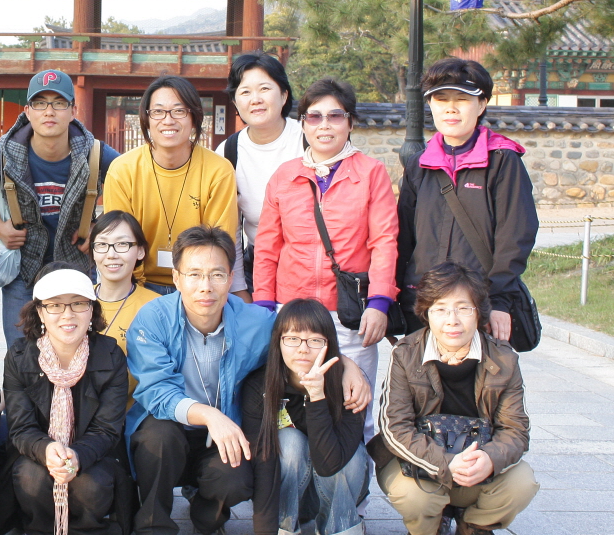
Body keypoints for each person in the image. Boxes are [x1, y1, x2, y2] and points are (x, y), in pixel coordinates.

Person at [126, 225, 372, 535]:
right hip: (173, 423)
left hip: (227, 429)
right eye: (194, 274)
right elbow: (156, 390)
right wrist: (209, 416)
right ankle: (153, 534)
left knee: (237, 476)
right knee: (157, 439)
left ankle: (208, 522)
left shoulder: (255, 321)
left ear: (231, 279)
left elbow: (297, 338)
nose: (206, 286)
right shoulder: (153, 318)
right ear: (177, 278)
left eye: (216, 275)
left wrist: (345, 363)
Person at [252, 78, 398, 441]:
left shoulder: (371, 173)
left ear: (350, 122)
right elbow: (267, 247)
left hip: (348, 313)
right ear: (303, 124)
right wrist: (265, 306)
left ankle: (354, 479)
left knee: (354, 405)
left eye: (335, 115)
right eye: (314, 117)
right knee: (292, 407)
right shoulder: (285, 176)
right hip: (292, 310)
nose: (325, 125)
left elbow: (384, 241)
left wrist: (379, 302)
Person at [373, 262, 538, 535]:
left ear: (479, 313)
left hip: (477, 467)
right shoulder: (406, 353)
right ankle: (426, 532)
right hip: (425, 466)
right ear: (426, 312)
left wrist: (489, 459)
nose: (452, 320)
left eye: (463, 308)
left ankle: (475, 527)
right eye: (440, 309)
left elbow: (516, 430)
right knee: (410, 495)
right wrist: (446, 463)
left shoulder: (504, 358)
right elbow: (394, 427)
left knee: (522, 482)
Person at [0, 263, 130, 535]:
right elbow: (20, 428)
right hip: (38, 453)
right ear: (40, 313)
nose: (67, 314)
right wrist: (47, 449)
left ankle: (87, 532)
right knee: (29, 474)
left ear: (91, 310)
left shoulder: (110, 355)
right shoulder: (19, 356)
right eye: (55, 305)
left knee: (92, 481)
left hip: (94, 453)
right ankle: (39, 530)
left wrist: (76, 455)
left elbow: (108, 429)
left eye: (78, 304)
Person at [396, 57, 537, 344]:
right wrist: (394, 299)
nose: (450, 108)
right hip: (424, 305)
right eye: (441, 99)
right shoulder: (419, 165)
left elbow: (515, 236)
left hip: (477, 307)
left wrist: (499, 301)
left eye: (462, 99)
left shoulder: (502, 161)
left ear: (481, 104)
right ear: (430, 104)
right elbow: (403, 238)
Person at [0, 68, 119, 343]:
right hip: (22, 269)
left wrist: (103, 230)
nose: (49, 112)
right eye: (40, 103)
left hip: (77, 265)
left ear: (73, 111)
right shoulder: (4, 152)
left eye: (59, 103)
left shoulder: (96, 153)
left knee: (80, 347)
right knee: (21, 350)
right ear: (28, 112)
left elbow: (131, 185)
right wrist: (0, 227)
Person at [242, 299, 370, 535]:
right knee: (287, 441)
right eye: (292, 339)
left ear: (329, 344)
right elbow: (262, 460)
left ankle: (341, 534)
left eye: (315, 340)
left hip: (336, 485)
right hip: (288, 490)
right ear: (278, 341)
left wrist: (317, 396)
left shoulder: (350, 385)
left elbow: (330, 464)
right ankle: (282, 530)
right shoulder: (260, 385)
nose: (303, 348)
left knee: (355, 455)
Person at [103, 75, 237, 295]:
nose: (168, 120)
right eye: (158, 111)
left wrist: (192, 287)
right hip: (137, 284)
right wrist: (138, 292)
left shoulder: (218, 170)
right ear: (146, 118)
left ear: (194, 117)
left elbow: (218, 246)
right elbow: (118, 243)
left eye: (179, 111)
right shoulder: (122, 170)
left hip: (197, 286)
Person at [217, 52, 304, 299]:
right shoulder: (228, 152)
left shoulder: (309, 140)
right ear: (235, 102)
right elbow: (230, 228)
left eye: (264, 89)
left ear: (284, 94)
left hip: (313, 265)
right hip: (257, 267)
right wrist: (239, 287)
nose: (255, 99)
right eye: (245, 92)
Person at [88, 210, 159, 370]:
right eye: (102, 244)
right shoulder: (77, 301)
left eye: (122, 244)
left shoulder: (157, 307)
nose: (111, 254)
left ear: (140, 251)